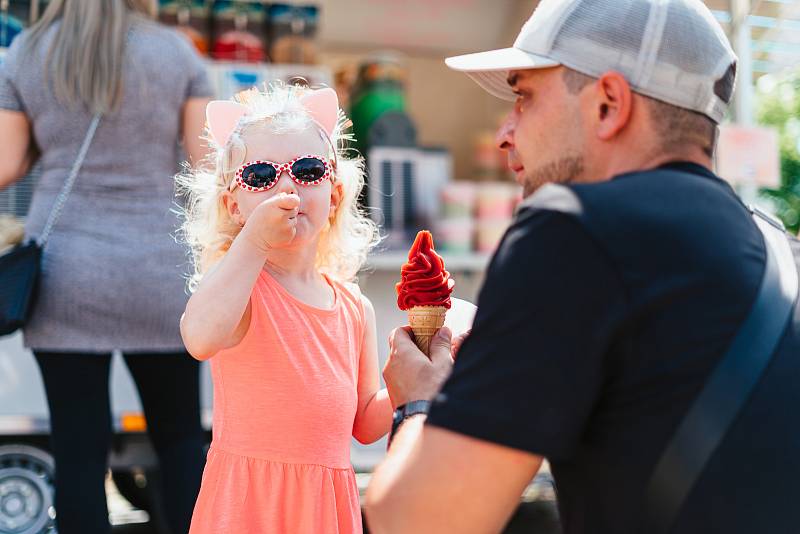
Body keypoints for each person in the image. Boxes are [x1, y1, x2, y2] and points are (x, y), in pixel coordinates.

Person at [365, 0, 800, 533]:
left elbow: (419, 519)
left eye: (524, 96)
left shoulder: (574, 228)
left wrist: (419, 401)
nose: (505, 130)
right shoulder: (780, 248)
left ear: (608, 104)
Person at [0, 1, 211, 532]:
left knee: (78, 450)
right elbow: (208, 166)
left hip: (65, 271)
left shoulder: (28, 50)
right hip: (161, 270)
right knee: (182, 439)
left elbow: (5, 163)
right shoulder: (176, 53)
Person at [178, 84, 392, 533]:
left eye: (308, 170)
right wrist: (254, 242)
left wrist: (412, 379)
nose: (287, 185)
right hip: (247, 510)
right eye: (260, 176)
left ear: (333, 197)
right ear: (233, 206)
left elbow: (367, 424)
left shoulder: (354, 307)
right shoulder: (242, 290)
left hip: (321, 513)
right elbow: (198, 337)